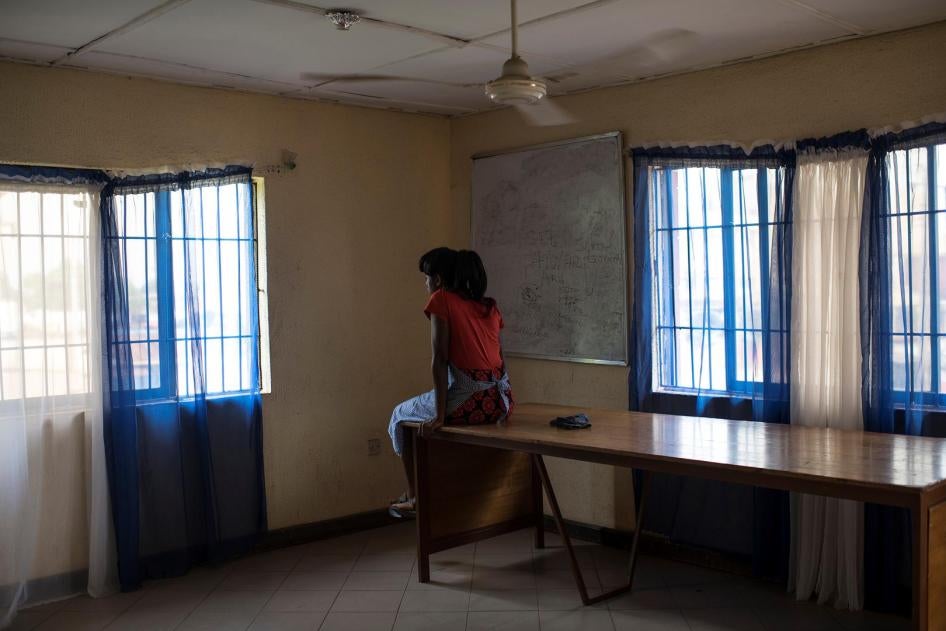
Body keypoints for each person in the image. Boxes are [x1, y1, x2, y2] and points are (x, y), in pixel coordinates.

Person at [387, 247, 514, 518]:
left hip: (468, 403)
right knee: (424, 420)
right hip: (498, 402)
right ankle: (429, 494)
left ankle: (415, 497)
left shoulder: (441, 300)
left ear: (439, 280)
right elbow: (500, 360)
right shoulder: (489, 306)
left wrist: (440, 415)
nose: (426, 283)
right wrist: (505, 407)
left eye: (426, 277)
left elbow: (440, 359)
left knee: (399, 415)